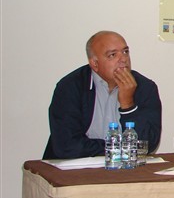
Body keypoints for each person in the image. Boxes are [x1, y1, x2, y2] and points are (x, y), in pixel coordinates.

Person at [43, 31, 162, 159]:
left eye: (125, 52)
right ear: (94, 64)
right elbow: (67, 146)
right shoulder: (70, 87)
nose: (123, 59)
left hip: (125, 171)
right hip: (75, 172)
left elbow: (147, 145)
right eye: (112, 55)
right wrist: (118, 149)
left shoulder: (145, 87)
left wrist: (128, 105)